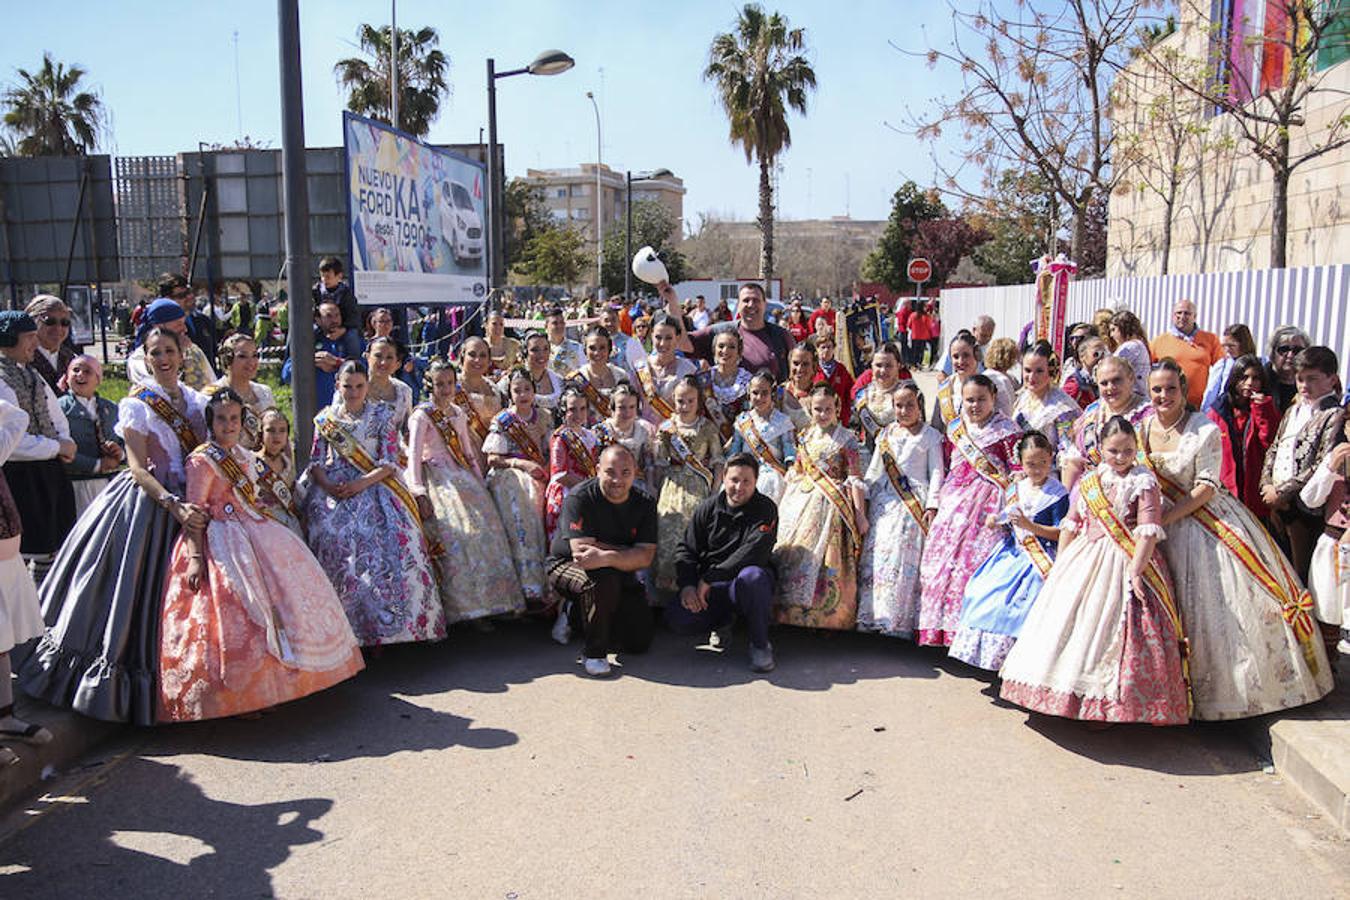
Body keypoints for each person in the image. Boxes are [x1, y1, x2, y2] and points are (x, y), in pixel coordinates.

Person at [17, 327, 209, 724]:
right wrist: (174, 505)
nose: (163, 359)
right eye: (154, 352)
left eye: (169, 351)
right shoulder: (137, 404)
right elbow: (137, 468)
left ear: (181, 354)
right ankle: (135, 692)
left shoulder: (194, 401)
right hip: (152, 506)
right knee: (134, 598)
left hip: (194, 500)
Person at [158, 389, 364, 722]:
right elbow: (194, 513)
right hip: (219, 540)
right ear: (211, 421)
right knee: (241, 612)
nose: (228, 425)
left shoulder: (243, 455)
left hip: (254, 530)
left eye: (234, 419)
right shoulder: (201, 459)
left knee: (287, 599)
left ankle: (284, 682)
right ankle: (242, 695)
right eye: (222, 419)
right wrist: (196, 557)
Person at [1141, 359, 1330, 719]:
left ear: (1184, 390)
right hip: (1155, 527)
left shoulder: (1203, 429)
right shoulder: (1142, 427)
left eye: (1170, 389)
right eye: (1156, 389)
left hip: (1201, 525)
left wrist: (1164, 518)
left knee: (1215, 612)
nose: (1163, 395)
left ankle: (1216, 700)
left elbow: (1206, 488)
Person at [999, 415, 1189, 726]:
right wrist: (1060, 567)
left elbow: (1148, 530)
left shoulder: (1144, 481)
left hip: (1126, 558)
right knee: (1070, 625)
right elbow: (1071, 524)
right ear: (1100, 449)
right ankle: (1062, 698)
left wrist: (1137, 571)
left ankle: (1108, 705)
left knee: (1115, 629)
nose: (1121, 458)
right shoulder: (1090, 481)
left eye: (1127, 451)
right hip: (1085, 557)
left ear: (1136, 449)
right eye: (1114, 451)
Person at [301, 361, 444, 647]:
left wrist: (360, 484)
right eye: (347, 386)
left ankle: (397, 628)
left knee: (392, 537)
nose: (353, 392)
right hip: (335, 487)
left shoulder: (382, 415)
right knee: (333, 536)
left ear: (367, 386)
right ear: (337, 386)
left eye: (359, 386)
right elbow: (316, 461)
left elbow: (389, 461)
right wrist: (329, 486)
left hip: (375, 485)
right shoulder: (325, 419)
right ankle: (346, 632)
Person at [406, 360, 525, 626]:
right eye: (440, 384)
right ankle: (463, 608)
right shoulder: (421, 415)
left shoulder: (458, 413)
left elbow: (467, 452)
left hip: (460, 476)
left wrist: (479, 481)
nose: (446, 389)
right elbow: (413, 456)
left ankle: (491, 602)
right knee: (457, 537)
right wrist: (418, 490)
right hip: (435, 478)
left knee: (488, 531)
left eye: (450, 383)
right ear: (430, 385)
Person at [916, 375, 1021, 646]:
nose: (975, 405)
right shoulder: (955, 429)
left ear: (994, 398)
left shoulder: (1008, 430)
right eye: (969, 400)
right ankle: (939, 630)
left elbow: (1017, 472)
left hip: (987, 503)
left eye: (981, 399)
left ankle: (968, 637)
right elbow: (947, 465)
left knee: (974, 564)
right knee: (939, 562)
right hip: (954, 500)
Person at [950, 431, 1068, 670]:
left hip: (1040, 555)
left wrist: (1031, 527)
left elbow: (1061, 532)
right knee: (981, 589)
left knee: (1021, 602)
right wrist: (997, 520)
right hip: (1012, 552)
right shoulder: (1017, 488)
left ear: (1051, 459)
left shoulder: (1058, 494)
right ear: (1021, 463)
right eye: (1030, 464)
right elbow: (1009, 517)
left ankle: (1017, 663)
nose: (1036, 469)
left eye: (1042, 463)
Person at [1259, 347, 1346, 654]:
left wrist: (1283, 493)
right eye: (1299, 379)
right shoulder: (1294, 409)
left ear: (1331, 379)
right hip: (1278, 503)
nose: (1304, 385)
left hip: (1304, 509)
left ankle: (1314, 653)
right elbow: (1275, 448)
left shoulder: (1333, 415)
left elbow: (1321, 463)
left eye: (1312, 379)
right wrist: (1266, 484)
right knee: (1280, 573)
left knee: (1305, 579)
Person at [546, 444, 658, 677]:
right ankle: (594, 652)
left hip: (614, 566)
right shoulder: (580, 497)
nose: (617, 480)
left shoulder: (645, 503)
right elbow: (584, 554)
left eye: (625, 473)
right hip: (567, 564)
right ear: (597, 470)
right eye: (610, 472)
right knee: (603, 581)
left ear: (635, 472)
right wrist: (627, 553)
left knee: (638, 643)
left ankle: (577, 615)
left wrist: (609, 555)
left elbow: (646, 557)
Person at [668, 453, 779, 672]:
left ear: (756, 481)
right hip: (710, 588)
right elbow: (686, 549)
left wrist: (711, 577)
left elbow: (753, 552)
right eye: (734, 480)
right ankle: (722, 621)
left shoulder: (766, 509)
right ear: (724, 478)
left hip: (742, 584)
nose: (739, 487)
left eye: (746, 481)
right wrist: (688, 585)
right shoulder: (707, 509)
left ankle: (760, 644)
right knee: (678, 618)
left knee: (753, 577)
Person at [773, 383, 867, 630]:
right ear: (810, 409)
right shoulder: (805, 436)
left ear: (837, 408)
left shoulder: (847, 439)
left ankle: (828, 619)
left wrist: (859, 515)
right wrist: (792, 478)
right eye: (817, 409)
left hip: (833, 504)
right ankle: (792, 614)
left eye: (827, 409)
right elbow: (799, 468)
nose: (822, 414)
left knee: (830, 560)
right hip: (804, 499)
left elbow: (855, 477)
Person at [857, 382, 943, 638]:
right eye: (898, 405)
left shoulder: (929, 436)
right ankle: (871, 616)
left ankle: (897, 621)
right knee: (878, 558)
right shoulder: (885, 435)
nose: (904, 410)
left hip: (912, 503)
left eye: (909, 405)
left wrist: (933, 504)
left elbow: (936, 471)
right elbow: (874, 471)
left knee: (902, 559)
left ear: (919, 405)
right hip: (885, 501)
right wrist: (865, 494)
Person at [0, 312, 76, 585]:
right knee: (24, 550)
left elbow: (55, 415)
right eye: (29, 336)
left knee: (52, 547)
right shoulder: (1, 379)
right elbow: (13, 443)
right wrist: (56, 447)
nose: (35, 342)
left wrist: (65, 443)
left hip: (47, 472)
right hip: (18, 478)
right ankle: (29, 611)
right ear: (9, 338)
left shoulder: (31, 374)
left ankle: (46, 606)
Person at [0, 387, 50, 762]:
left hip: (5, 557)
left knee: (1, 643)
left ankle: (5, 718)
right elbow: (17, 419)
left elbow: (16, 416)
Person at [484, 367, 553, 608]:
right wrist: (521, 463)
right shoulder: (503, 419)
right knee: (523, 507)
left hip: (539, 471)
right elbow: (493, 459)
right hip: (509, 473)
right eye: (517, 390)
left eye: (527, 389)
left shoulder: (543, 416)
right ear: (509, 393)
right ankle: (526, 586)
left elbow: (550, 450)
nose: (523, 394)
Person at [653, 376, 724, 596]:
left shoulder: (708, 428)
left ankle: (693, 589)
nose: (684, 406)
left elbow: (718, 461)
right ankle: (666, 594)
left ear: (699, 401)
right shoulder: (666, 428)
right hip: (672, 487)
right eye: (680, 401)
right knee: (666, 531)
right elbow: (658, 462)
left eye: (690, 401)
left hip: (699, 487)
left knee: (695, 534)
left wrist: (714, 493)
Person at [1060, 355, 1152, 490]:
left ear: (1131, 378)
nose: (1110, 387)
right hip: (1092, 494)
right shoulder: (1091, 413)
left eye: (1117, 380)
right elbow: (1074, 460)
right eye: (1104, 383)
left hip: (1135, 491)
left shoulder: (1149, 414)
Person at [1206, 355, 1280, 520]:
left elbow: (1269, 441)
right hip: (1225, 484)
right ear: (1234, 380)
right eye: (1244, 377)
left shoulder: (1265, 406)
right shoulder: (1219, 410)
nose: (1249, 383)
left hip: (1253, 484)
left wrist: (1263, 409)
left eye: (1255, 378)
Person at [1300, 435, 1350, 653]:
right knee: (1327, 612)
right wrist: (1331, 467)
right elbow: (1310, 499)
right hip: (1331, 545)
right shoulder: (1336, 457)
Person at [686, 283, 795, 381]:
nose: (751, 305)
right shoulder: (719, 332)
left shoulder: (781, 336)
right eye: (746, 300)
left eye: (756, 300)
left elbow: (796, 371)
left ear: (765, 304)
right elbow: (683, 342)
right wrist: (672, 302)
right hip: (725, 402)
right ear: (738, 305)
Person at [59, 355, 124, 515]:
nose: (80, 375)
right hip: (76, 484)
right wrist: (97, 465)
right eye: (75, 370)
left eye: (87, 371)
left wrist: (120, 453)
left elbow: (128, 442)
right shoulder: (59, 408)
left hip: (110, 483)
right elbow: (59, 448)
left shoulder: (111, 408)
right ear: (67, 378)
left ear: (98, 379)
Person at [726, 370, 797, 505]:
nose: (759, 397)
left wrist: (790, 470)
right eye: (755, 393)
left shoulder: (783, 421)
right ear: (749, 394)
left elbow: (790, 452)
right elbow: (734, 451)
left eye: (764, 393)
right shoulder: (742, 421)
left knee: (768, 482)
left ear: (772, 394)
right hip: (744, 469)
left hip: (771, 471)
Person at [1013, 341, 1081, 472]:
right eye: (1027, 370)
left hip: (1049, 474)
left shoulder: (1062, 408)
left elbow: (1068, 453)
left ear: (1050, 371)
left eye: (1039, 371)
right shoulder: (1022, 397)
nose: (1032, 377)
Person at [281, 301, 363, 411]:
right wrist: (311, 362)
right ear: (318, 320)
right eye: (328, 316)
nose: (334, 320)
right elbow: (286, 374)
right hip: (314, 412)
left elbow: (367, 369)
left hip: (347, 412)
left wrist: (337, 362)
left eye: (337, 315)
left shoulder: (352, 341)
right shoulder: (308, 343)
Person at [930, 333, 1013, 437]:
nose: (961, 361)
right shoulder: (946, 387)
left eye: (966, 355)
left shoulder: (994, 382)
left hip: (988, 446)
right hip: (955, 448)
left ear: (977, 355)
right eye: (956, 357)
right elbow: (936, 427)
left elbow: (1006, 420)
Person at [545, 388, 601, 539]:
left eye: (582, 409)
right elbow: (560, 475)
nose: (578, 414)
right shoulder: (560, 438)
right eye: (572, 409)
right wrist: (588, 488)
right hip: (567, 492)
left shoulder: (590, 436)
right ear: (563, 411)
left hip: (587, 488)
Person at [127, 298, 217, 390]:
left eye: (184, 323)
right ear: (158, 327)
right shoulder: (139, 359)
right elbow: (156, 388)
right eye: (178, 324)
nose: (185, 329)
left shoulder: (193, 350)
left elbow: (212, 383)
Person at [206, 334, 275, 451]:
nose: (251, 362)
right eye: (243, 356)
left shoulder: (264, 392)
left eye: (255, 355)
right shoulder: (211, 394)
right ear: (228, 359)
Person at [1148, 300, 1222, 408]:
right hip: (1168, 404)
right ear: (1173, 316)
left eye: (1187, 313)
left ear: (1194, 316)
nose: (1182, 316)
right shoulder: (1158, 341)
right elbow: (1147, 372)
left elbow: (1221, 370)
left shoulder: (1210, 339)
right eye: (1178, 313)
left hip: (1199, 406)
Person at [592, 382, 657, 496]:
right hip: (607, 486)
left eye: (632, 407)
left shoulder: (644, 430)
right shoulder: (600, 431)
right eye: (622, 407)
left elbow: (649, 464)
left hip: (636, 486)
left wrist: (650, 486)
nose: (627, 412)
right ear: (612, 407)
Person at [634, 313, 698, 427]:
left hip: (675, 436)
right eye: (658, 337)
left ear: (677, 338)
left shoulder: (688, 370)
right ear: (651, 335)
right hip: (644, 434)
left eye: (669, 338)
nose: (663, 343)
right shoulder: (640, 367)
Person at [456, 336, 506, 467]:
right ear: (462, 357)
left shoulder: (494, 388)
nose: (477, 360)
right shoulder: (451, 385)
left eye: (483, 355)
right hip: (458, 454)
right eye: (472, 354)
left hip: (490, 455)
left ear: (489, 360)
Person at [700, 326, 754, 443]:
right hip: (706, 443)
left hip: (739, 443)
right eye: (721, 346)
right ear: (714, 350)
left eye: (732, 347)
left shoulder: (748, 382)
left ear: (739, 352)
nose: (725, 351)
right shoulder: (704, 378)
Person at [852, 343, 909, 452]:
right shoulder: (862, 395)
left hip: (902, 457)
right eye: (878, 365)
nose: (883, 370)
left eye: (889, 365)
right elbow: (854, 429)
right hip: (870, 458)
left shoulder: (909, 393)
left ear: (898, 365)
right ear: (871, 366)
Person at [567, 325, 628, 425]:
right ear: (585, 350)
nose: (597, 352)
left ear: (609, 349)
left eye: (602, 347)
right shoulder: (577, 379)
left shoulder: (621, 375)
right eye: (592, 348)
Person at [158, 273, 219, 370]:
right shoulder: (163, 328)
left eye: (189, 292)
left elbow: (214, 354)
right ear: (167, 300)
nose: (189, 297)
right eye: (182, 295)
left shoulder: (203, 320)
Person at [256, 408, 301, 534]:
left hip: (289, 523)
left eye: (282, 431)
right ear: (261, 433)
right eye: (270, 430)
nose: (277, 436)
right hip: (262, 524)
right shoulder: (252, 461)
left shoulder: (288, 465)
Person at [506, 331, 567, 421]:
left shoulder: (559, 381)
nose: (541, 354)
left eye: (545, 349)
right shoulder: (512, 379)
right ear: (525, 352)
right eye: (535, 350)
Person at [24, 295, 78, 394]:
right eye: (50, 321)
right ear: (33, 321)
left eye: (64, 322)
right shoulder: (22, 358)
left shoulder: (72, 359)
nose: (58, 328)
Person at [1200, 323, 1258, 412]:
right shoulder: (1223, 365)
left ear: (1244, 344)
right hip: (1225, 413)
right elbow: (1211, 392)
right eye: (1224, 346)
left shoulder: (1257, 364)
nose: (1227, 350)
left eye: (1232, 346)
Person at [364, 336, 414, 434]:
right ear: (367, 357)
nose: (383, 362)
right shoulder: (352, 386)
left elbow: (407, 431)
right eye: (378, 356)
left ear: (398, 364)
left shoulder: (404, 391)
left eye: (389, 357)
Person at [1262, 325, 1312, 412]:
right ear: (1272, 352)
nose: (1290, 355)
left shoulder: (1311, 384)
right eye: (1284, 349)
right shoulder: (1259, 380)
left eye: (1297, 350)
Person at [1106, 310, 1151, 396]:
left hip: (1134, 396)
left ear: (1123, 328)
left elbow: (1110, 366)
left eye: (1113, 330)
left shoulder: (1131, 347)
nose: (1111, 335)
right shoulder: (1139, 344)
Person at [813, 332, 854, 426]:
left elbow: (850, 390)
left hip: (839, 417)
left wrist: (847, 413)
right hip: (819, 417)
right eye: (823, 347)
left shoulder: (841, 369)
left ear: (833, 349)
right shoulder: (813, 368)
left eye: (829, 347)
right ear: (817, 349)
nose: (826, 350)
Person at [313, 256, 360, 333]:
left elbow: (353, 316)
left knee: (352, 336)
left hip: (342, 327)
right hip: (320, 324)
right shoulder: (316, 291)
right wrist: (316, 319)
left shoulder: (346, 293)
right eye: (322, 276)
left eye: (328, 277)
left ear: (339, 276)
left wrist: (343, 329)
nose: (324, 280)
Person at [598, 305, 645, 376]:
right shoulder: (594, 344)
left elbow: (642, 369)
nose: (610, 323)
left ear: (619, 321)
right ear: (600, 322)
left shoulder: (631, 343)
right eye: (606, 320)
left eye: (613, 320)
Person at [1062, 336, 1107, 410]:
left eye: (1104, 353)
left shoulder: (1108, 381)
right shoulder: (1075, 384)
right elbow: (1063, 412)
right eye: (1097, 353)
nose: (1101, 357)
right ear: (1082, 356)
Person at [780, 343, 818, 430]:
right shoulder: (778, 393)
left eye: (805, 364)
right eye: (795, 363)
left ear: (814, 366)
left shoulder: (822, 396)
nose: (799, 369)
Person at [543, 307, 585, 376]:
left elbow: (584, 372)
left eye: (561, 322)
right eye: (555, 323)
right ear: (546, 326)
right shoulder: (540, 350)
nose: (559, 326)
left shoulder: (577, 347)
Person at [485, 309, 522, 373]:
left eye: (501, 324)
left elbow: (521, 366)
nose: (498, 327)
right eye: (494, 324)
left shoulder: (514, 344)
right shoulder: (481, 346)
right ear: (487, 325)